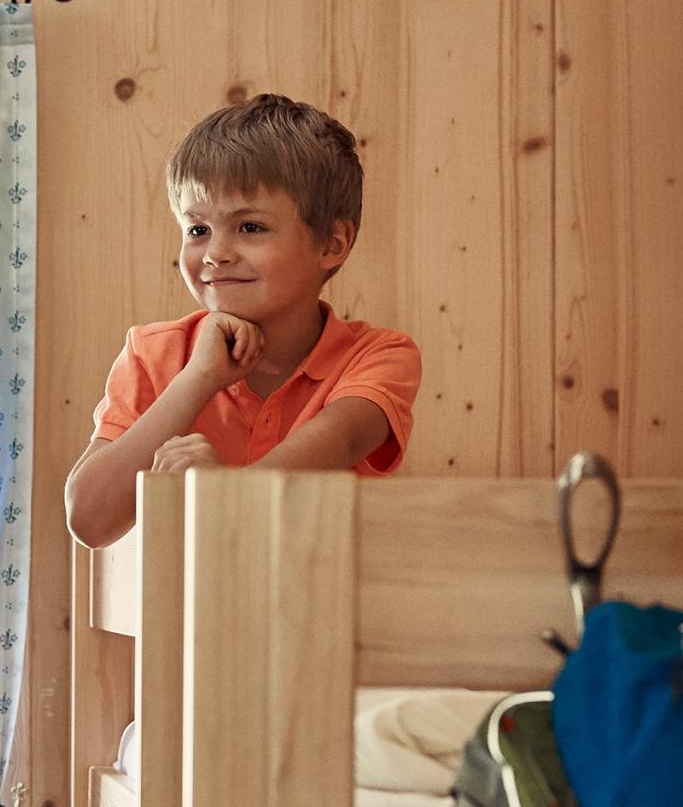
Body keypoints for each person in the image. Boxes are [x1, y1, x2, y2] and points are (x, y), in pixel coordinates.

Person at [64, 93, 422, 549]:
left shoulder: (379, 357)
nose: (216, 253)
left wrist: (219, 493)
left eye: (250, 227)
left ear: (332, 243)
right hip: (193, 619)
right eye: (197, 229)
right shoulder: (153, 354)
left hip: (327, 610)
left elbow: (343, 441)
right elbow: (90, 519)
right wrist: (199, 377)